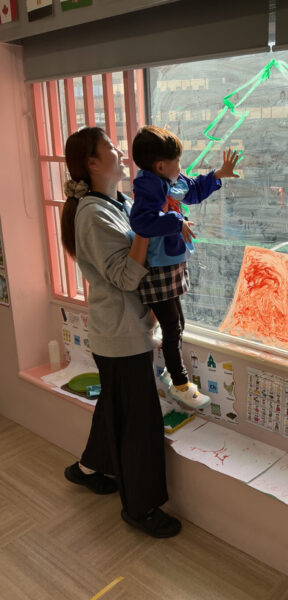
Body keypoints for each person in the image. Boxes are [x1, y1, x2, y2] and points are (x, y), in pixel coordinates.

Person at [61, 126, 181, 538]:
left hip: (123, 328)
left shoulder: (120, 202)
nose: (119, 149)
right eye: (109, 146)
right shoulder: (93, 215)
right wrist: (148, 229)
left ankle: (87, 468)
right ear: (92, 163)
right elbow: (127, 277)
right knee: (140, 422)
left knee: (116, 406)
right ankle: (141, 507)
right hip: (120, 335)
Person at [130, 125, 239, 408]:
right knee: (172, 324)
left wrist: (218, 175)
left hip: (171, 263)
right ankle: (179, 383)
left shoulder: (170, 179)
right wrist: (176, 222)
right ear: (161, 165)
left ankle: (171, 371)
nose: (181, 167)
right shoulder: (147, 186)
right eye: (177, 161)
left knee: (177, 323)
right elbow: (141, 222)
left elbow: (192, 189)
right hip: (157, 268)